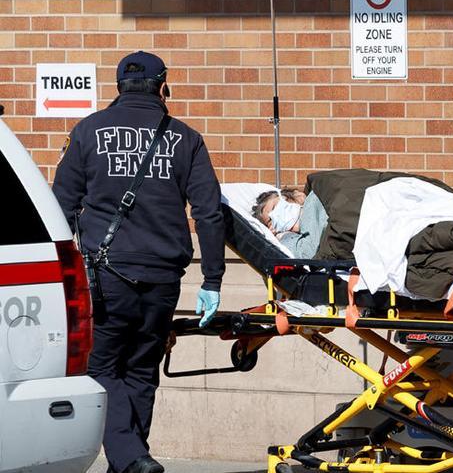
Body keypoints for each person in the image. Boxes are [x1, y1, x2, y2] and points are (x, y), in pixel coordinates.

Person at [53, 51, 225, 473]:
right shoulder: (185, 138)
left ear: (118, 87)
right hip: (163, 278)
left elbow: (60, 205)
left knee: (100, 368)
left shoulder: (89, 132)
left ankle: (130, 459)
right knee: (142, 371)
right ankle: (131, 462)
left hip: (105, 274)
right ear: (163, 86)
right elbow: (209, 213)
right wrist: (213, 280)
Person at [253, 186, 328, 259]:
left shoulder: (313, 200)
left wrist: (284, 237)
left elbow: (307, 253)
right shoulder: (304, 237)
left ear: (296, 196)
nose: (275, 216)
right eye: (270, 221)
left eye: (274, 207)